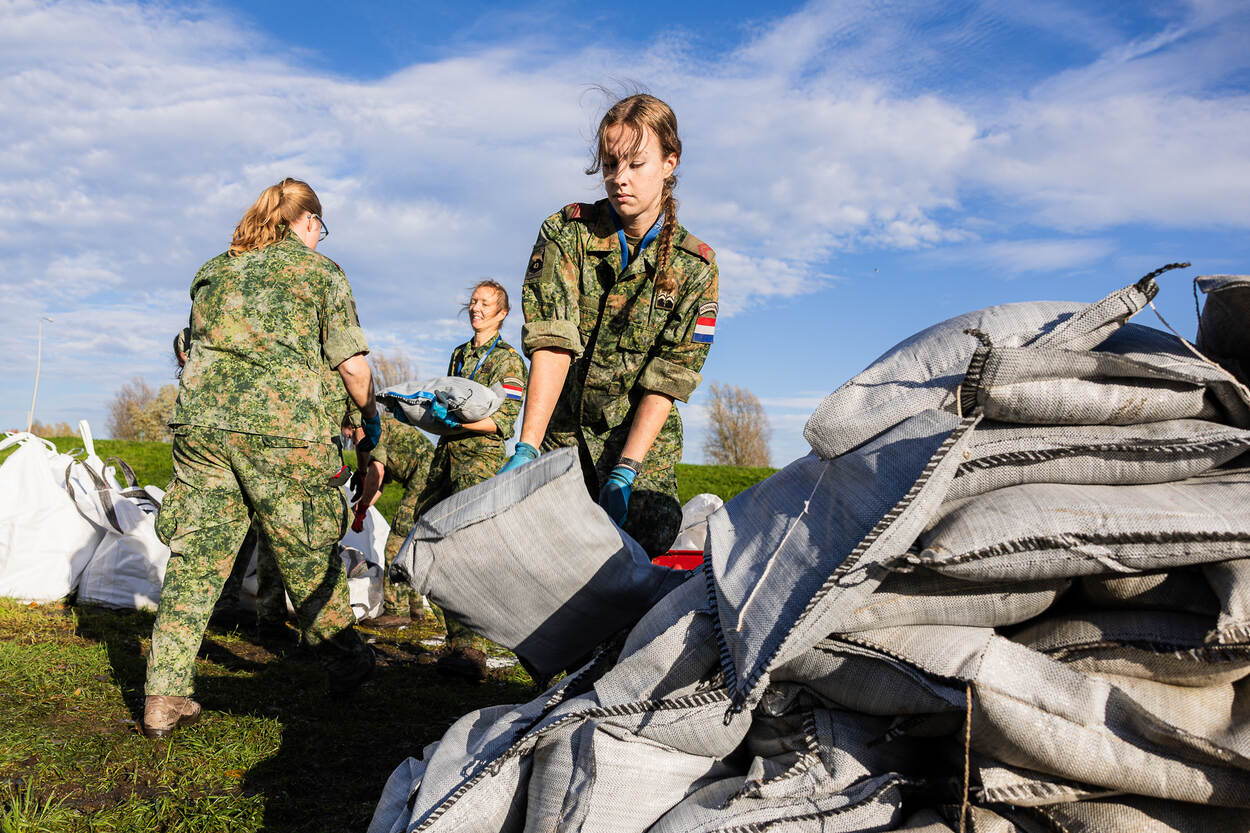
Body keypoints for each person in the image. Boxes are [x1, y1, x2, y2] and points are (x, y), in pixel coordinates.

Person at [143, 177, 381, 738]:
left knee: (197, 556)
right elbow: (352, 366)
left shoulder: (211, 271)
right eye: (321, 227)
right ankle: (347, 661)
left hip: (202, 426)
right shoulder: (321, 273)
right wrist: (371, 423)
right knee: (304, 555)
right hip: (282, 430)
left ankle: (164, 695)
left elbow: (186, 346)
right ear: (307, 222)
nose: (321, 237)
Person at [501, 93, 719, 558]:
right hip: (563, 430)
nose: (620, 179)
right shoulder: (568, 233)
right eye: (611, 163)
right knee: (545, 550)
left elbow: (668, 378)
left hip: (637, 436)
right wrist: (527, 449)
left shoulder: (695, 267)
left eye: (637, 163)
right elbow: (552, 343)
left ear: (669, 162)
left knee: (647, 535)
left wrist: (626, 470)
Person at [408, 279, 526, 679]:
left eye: (485, 303)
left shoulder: (510, 361)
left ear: (502, 313)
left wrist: (459, 420)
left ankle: (472, 648)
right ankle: (456, 637)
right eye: (473, 301)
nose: (476, 308)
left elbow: (504, 422)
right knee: (427, 535)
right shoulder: (459, 354)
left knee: (468, 548)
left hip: (479, 461)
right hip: (446, 458)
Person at [339, 409, 436, 627]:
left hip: (424, 479)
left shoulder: (374, 433)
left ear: (356, 427)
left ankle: (396, 610)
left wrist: (362, 506)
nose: (348, 439)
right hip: (424, 477)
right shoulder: (381, 432)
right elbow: (380, 484)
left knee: (395, 546)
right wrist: (361, 507)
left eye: (349, 434)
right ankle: (415, 608)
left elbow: (377, 474)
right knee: (414, 545)